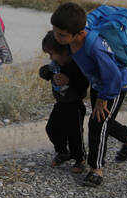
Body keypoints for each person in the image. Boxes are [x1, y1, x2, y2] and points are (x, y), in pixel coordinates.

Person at [50, 2, 127, 188]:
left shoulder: (94, 47)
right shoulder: (70, 41)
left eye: (62, 35)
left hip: (114, 87)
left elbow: (114, 76)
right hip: (98, 84)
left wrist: (103, 99)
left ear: (79, 33)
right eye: (55, 32)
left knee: (97, 124)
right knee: (103, 121)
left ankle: (96, 169)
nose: (57, 37)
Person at [38, 30, 89, 173]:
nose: (51, 58)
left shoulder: (77, 66)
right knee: (51, 129)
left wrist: (70, 81)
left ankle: (80, 159)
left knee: (75, 134)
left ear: (66, 52)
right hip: (60, 104)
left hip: (75, 105)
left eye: (52, 54)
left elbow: (84, 84)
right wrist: (51, 75)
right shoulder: (55, 66)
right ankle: (63, 152)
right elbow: (42, 71)